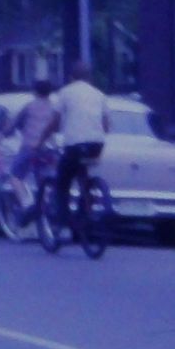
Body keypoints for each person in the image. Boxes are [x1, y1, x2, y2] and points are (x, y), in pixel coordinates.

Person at [52, 62, 110, 233]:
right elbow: (106, 126)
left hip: (75, 145)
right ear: (89, 77)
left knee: (62, 180)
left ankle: (62, 224)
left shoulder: (65, 92)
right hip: (96, 145)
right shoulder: (99, 94)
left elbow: (55, 121)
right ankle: (85, 208)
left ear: (71, 77)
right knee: (82, 170)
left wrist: (46, 136)